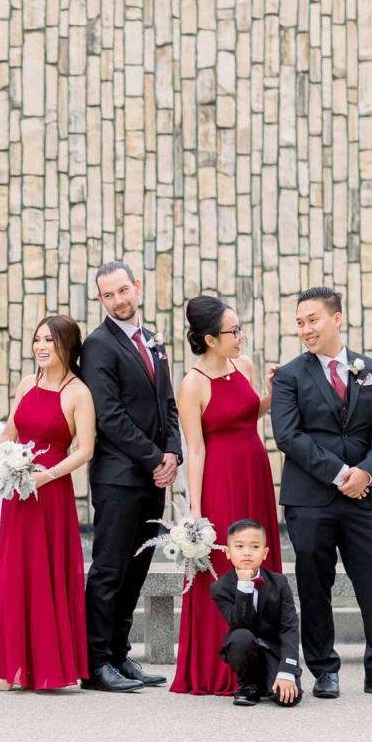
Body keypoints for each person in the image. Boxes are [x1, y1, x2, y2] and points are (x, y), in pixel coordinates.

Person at [271, 287, 372, 697]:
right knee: (314, 584)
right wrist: (343, 473)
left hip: (362, 498)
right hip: (310, 499)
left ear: (337, 318)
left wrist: (366, 472)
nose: (306, 329)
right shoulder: (289, 376)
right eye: (300, 322)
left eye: (313, 319)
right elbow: (289, 436)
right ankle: (324, 670)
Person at [0, 315, 94, 690]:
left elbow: (86, 449)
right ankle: (10, 664)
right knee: (15, 572)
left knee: (46, 573)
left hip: (51, 495)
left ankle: (47, 666)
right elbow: (9, 434)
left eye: (49, 340)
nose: (40, 346)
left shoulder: (79, 393)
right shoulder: (28, 383)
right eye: (37, 339)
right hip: (18, 492)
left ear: (67, 346)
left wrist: (47, 475)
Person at [170, 295, 282, 695]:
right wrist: (195, 508)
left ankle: (267, 662)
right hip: (221, 480)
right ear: (210, 339)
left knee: (259, 561)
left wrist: (270, 394)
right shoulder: (192, 384)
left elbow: (249, 414)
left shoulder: (244, 365)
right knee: (225, 564)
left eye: (239, 328)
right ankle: (223, 667)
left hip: (254, 472)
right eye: (233, 331)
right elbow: (195, 449)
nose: (240, 336)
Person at [79, 261, 181, 692]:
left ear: (137, 287)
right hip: (118, 478)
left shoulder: (152, 340)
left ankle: (120, 655)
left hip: (153, 477)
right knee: (109, 570)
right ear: (100, 299)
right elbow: (110, 415)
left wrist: (173, 453)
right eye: (108, 295)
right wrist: (155, 458)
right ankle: (96, 663)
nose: (118, 300)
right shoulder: (98, 346)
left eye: (123, 290)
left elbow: (167, 403)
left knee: (137, 569)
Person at [210, 519, 301, 707]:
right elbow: (240, 624)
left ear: (265, 553)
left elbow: (289, 628)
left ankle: (270, 681)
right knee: (240, 636)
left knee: (287, 699)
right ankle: (247, 685)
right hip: (244, 649)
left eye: (255, 547)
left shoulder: (279, 583)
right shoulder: (220, 587)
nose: (247, 552)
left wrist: (287, 670)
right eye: (239, 546)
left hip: (274, 650)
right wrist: (244, 586)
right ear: (228, 552)